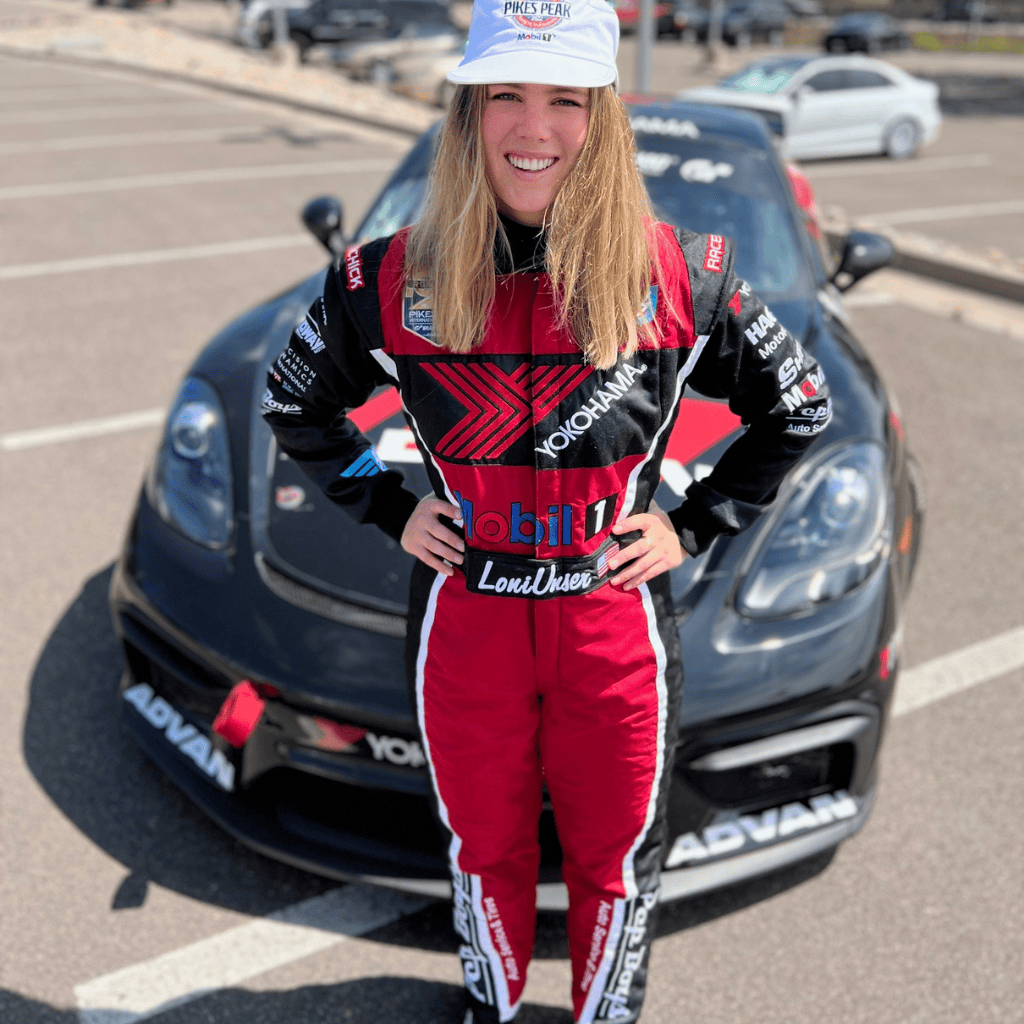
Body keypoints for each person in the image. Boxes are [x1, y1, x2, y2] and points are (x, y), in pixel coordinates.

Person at [261, 0, 832, 1020]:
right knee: (484, 848)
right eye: (507, 97)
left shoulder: (679, 276)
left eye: (565, 99)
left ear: (601, 116)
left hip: (611, 623)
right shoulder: (386, 278)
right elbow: (291, 400)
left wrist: (690, 524)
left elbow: (798, 407)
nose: (534, 129)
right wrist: (387, 508)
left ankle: (603, 1013)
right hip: (465, 618)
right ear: (468, 112)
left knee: (616, 856)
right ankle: (493, 1002)